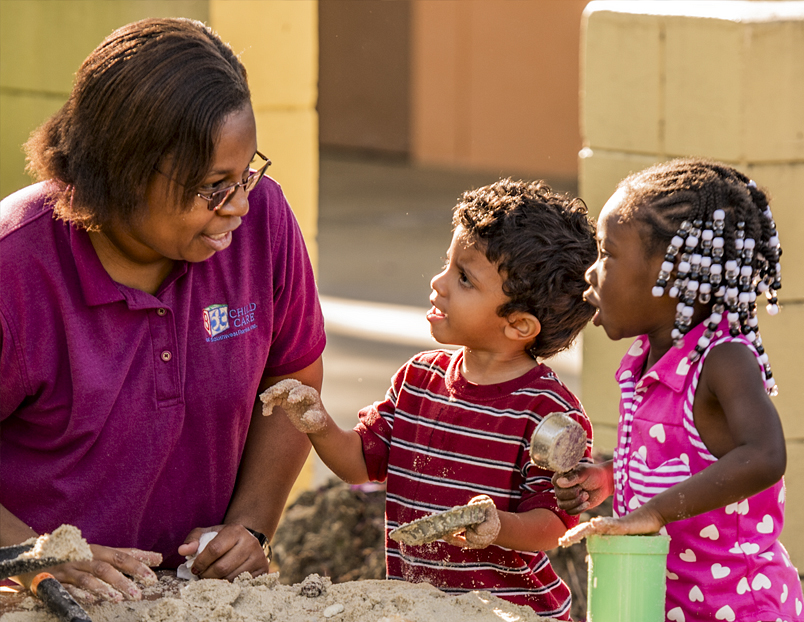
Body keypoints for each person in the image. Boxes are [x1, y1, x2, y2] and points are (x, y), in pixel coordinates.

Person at [0, 18, 325, 603]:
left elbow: (292, 376)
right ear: (122, 174)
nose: (241, 205)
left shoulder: (264, 224)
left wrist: (251, 527)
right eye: (213, 187)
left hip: (190, 595)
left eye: (247, 173)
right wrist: (33, 556)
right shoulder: (13, 270)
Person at [262, 179, 597, 619]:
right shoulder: (418, 378)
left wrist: (499, 525)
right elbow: (361, 464)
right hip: (419, 607)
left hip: (511, 612)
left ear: (519, 325)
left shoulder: (549, 413)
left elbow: (554, 525)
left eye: (464, 278)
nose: (438, 283)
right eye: (447, 263)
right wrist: (317, 422)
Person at [555, 158, 802, 621]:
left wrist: (654, 514)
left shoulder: (722, 360)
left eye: (606, 254)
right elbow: (680, 459)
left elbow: (765, 455)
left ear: (675, 274)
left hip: (741, 609)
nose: (591, 272)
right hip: (670, 606)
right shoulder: (650, 359)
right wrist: (611, 477)